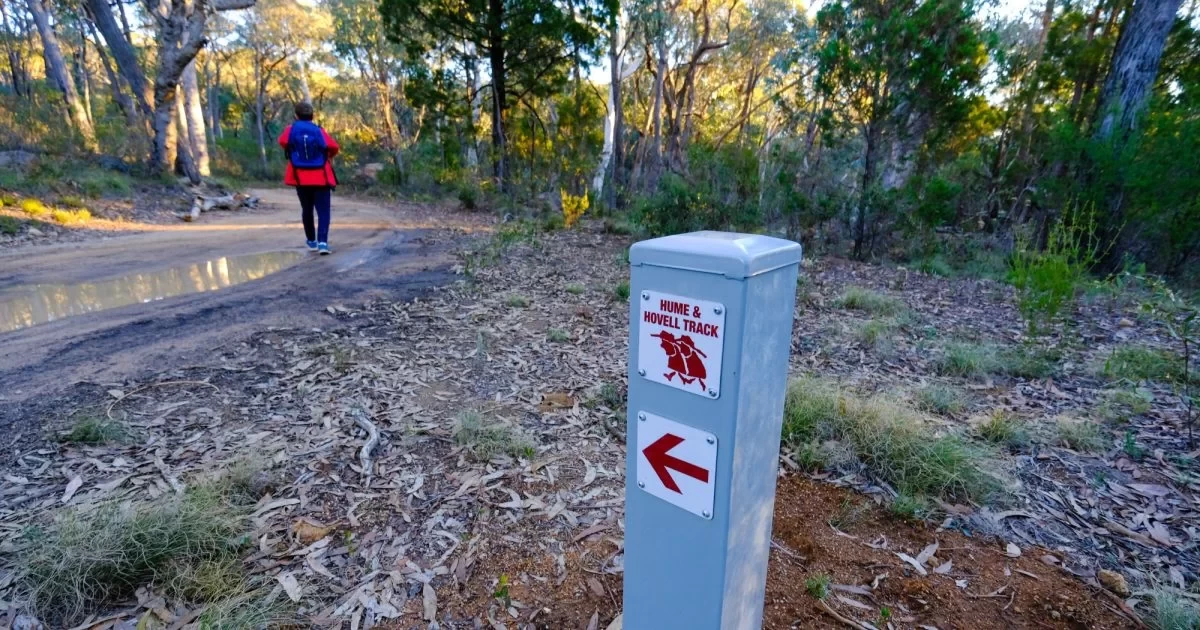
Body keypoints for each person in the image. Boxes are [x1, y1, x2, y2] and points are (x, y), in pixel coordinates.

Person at [278, 102, 339, 255]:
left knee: (307, 209)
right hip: (321, 177)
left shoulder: (290, 130)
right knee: (323, 211)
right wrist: (327, 156)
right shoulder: (319, 131)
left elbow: (283, 142)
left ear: (296, 115)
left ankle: (311, 241)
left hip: (300, 178)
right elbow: (334, 146)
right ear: (312, 116)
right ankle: (323, 244)